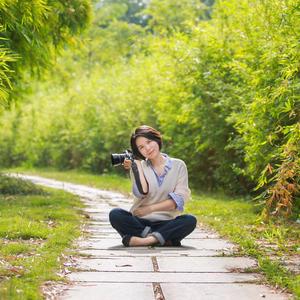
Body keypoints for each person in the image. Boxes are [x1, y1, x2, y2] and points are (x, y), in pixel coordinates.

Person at [109, 125, 197, 247]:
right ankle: (164, 239)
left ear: (156, 139)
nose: (148, 148)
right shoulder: (138, 166)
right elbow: (141, 192)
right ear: (138, 152)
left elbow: (177, 201)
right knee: (115, 214)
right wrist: (137, 166)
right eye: (141, 147)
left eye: (149, 142)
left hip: (166, 222)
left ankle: (144, 240)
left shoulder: (179, 165)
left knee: (190, 220)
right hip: (140, 221)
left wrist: (149, 209)